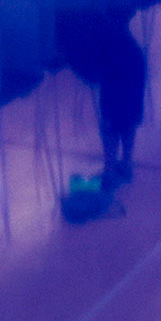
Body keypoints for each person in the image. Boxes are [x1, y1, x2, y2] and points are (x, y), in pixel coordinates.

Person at [56, 10, 147, 191]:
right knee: (128, 120)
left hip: (116, 74)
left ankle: (109, 175)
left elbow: (91, 76)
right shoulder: (89, 19)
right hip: (136, 61)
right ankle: (126, 165)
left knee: (110, 126)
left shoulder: (73, 44)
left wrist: (71, 62)